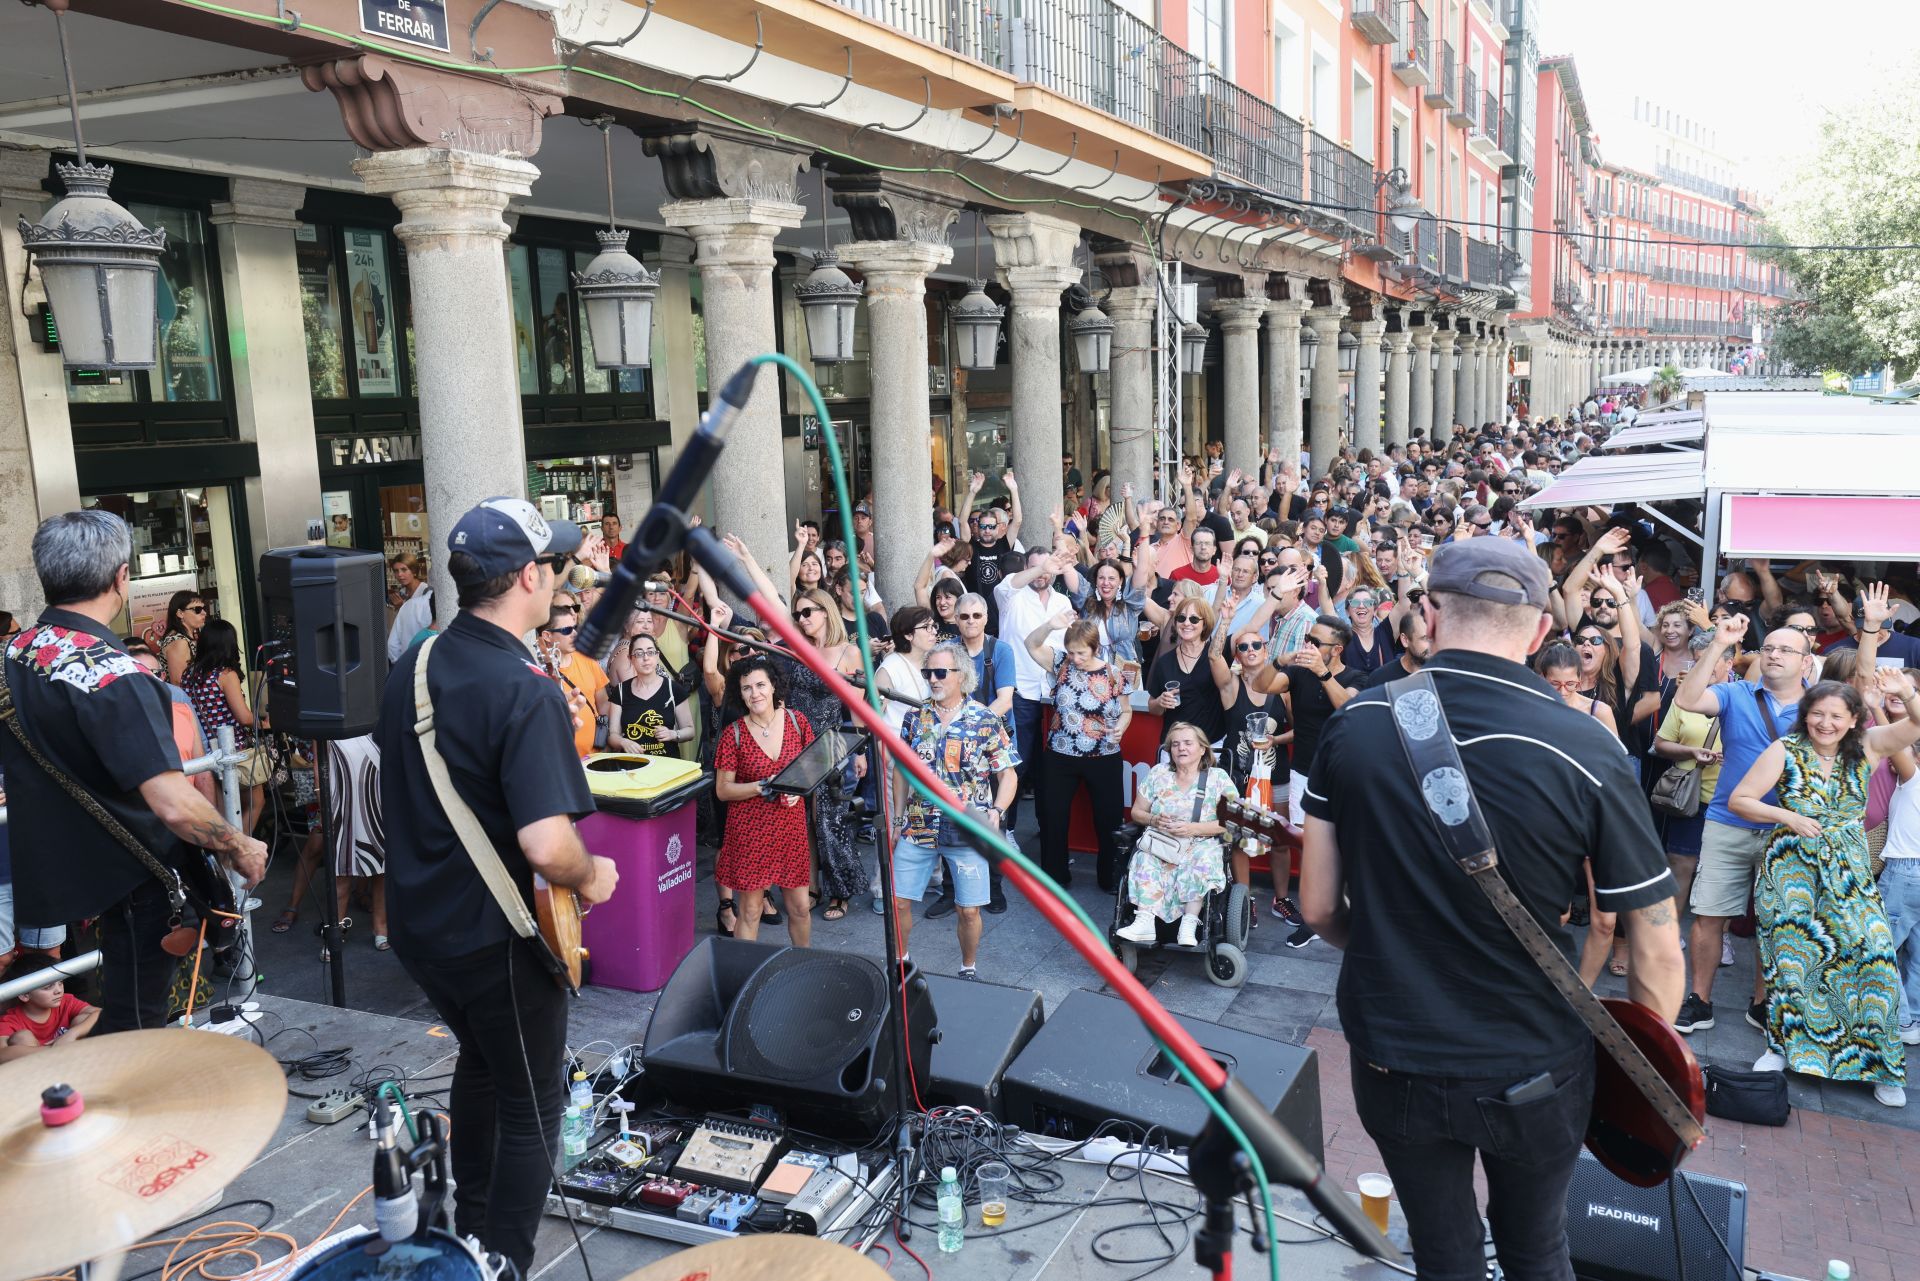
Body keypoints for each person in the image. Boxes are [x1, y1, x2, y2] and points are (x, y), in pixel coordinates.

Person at [1299, 537, 1684, 1281]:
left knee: (1444, 1252)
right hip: (1535, 1060)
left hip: (1396, 1052)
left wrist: (1383, 942)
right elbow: (1659, 949)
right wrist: (1651, 1080)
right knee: (1537, 1247)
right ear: (1542, 631)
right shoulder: (1587, 745)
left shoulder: (1358, 724)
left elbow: (1317, 907)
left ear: (1431, 613)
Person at [376, 497, 617, 1276]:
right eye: (552, 563)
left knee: (483, 1061)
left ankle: (465, 1230)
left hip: (424, 927)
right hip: (498, 935)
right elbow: (547, 844)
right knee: (533, 1101)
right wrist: (595, 876)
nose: (559, 575)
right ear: (527, 577)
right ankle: (502, 1260)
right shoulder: (524, 688)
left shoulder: (414, 659)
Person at [1, 513, 267, 1035]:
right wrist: (239, 843)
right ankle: (112, 1108)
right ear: (122, 577)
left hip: (61, 866)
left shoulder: (15, 652)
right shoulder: (117, 675)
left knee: (121, 1010)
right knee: (137, 1019)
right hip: (133, 875)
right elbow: (170, 801)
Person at [1730, 672, 1920, 1107]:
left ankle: (1883, 1066)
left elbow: (1916, 724)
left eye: (1836, 715)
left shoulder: (1869, 747)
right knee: (1791, 962)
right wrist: (1787, 817)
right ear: (1805, 716)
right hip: (1792, 870)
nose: (1825, 723)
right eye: (1817, 714)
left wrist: (1906, 692)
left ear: (1854, 719)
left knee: (1875, 957)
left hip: (1848, 870)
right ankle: (1782, 1049)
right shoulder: (1785, 749)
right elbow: (1742, 799)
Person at [1669, 613, 1812, 1035]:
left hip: (1787, 830)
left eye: (1787, 649)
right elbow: (1687, 701)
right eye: (1769, 648)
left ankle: (1762, 1004)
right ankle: (1700, 1000)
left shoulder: (1819, 706)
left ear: (1807, 662)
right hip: (1727, 821)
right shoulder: (1735, 694)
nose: (1774, 655)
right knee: (1710, 915)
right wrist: (1718, 644)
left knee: (1776, 921)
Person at [891, 640, 1017, 980]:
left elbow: (1007, 774)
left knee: (969, 910)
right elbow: (901, 772)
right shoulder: (915, 718)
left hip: (967, 827)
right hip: (919, 824)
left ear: (961, 675)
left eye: (941, 672)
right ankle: (901, 962)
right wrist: (897, 819)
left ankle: (968, 968)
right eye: (928, 672)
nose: (933, 679)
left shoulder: (984, 718)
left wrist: (996, 811)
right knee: (899, 901)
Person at [713, 657, 815, 946]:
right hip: (750, 831)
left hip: (789, 828)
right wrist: (760, 787)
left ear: (773, 687)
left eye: (760, 685)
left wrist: (800, 790)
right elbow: (723, 791)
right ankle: (745, 976)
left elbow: (811, 771)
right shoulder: (733, 734)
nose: (754, 693)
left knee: (799, 907)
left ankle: (803, 963)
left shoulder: (797, 722)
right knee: (750, 910)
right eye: (746, 688)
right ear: (740, 694)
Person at [1027, 615, 1133, 890]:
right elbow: (1031, 644)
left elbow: (1127, 710)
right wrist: (1050, 624)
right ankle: (1054, 876)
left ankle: (1109, 878)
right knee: (1053, 815)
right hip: (1060, 754)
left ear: (1095, 649)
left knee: (1108, 818)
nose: (1075, 658)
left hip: (1104, 754)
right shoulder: (1061, 662)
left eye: (1081, 653)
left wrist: (1121, 727)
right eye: (1072, 651)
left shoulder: (1113, 673)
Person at [1117, 721, 1239, 947]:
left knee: (1202, 859)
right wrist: (1154, 820)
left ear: (1202, 749)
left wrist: (1193, 829)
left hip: (1202, 841)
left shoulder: (1217, 777)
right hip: (1163, 841)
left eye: (1188, 743)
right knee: (1144, 857)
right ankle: (1144, 922)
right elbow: (1136, 811)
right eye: (1175, 744)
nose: (1181, 748)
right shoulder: (1158, 773)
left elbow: (1233, 819)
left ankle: (1189, 924)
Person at [1652, 630, 1734, 927]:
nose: (1704, 669)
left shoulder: (1746, 696)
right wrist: (1691, 750)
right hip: (1692, 797)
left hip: (1731, 802)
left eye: (1710, 662)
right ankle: (1670, 932)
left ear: (1730, 661)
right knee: (1681, 865)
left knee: (1723, 873)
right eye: (1698, 662)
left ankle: (1720, 934)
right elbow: (1661, 744)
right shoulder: (1685, 698)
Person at [180, 618, 272, 837]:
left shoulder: (188, 675)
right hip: (234, 749)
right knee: (256, 801)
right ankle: (238, 850)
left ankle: (226, 859)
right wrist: (266, 724)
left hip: (206, 750)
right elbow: (243, 717)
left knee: (224, 810)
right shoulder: (225, 675)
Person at [535, 596, 610, 759]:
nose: (575, 634)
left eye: (575, 628)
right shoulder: (538, 671)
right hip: (560, 762)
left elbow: (603, 702)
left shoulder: (587, 658)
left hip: (595, 758)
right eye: (567, 630)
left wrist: (604, 741)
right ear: (547, 636)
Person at [1148, 597, 1226, 747]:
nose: (1187, 623)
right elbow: (1153, 707)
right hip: (1175, 746)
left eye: (1194, 619)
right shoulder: (1164, 662)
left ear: (1205, 624)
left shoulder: (1215, 657)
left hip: (1210, 745)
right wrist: (1160, 702)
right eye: (1181, 618)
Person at [0, 954, 98, 1060]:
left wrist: (72, 1034)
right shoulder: (11, 1020)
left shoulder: (66, 1001)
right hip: (40, 1069)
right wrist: (53, 1050)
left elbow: (100, 1013)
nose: (58, 990)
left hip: (73, 1059)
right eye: (47, 987)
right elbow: (2, 1053)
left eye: (60, 982)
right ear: (24, 995)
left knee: (83, 1019)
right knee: (22, 1037)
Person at [609, 633, 692, 756]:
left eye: (650, 652)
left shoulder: (673, 689)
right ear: (630, 658)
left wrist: (673, 734)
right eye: (639, 654)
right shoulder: (620, 691)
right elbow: (612, 735)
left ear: (657, 655)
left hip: (667, 765)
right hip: (633, 765)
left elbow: (690, 730)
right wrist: (623, 742)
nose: (646, 658)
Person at [387, 553, 433, 663]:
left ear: (413, 570)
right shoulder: (402, 593)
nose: (400, 575)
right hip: (405, 655)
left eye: (404, 569)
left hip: (422, 653)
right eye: (396, 571)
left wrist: (401, 608)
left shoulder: (426, 592)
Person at [157, 589, 206, 686]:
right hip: (184, 700)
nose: (204, 613)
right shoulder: (179, 641)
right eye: (197, 609)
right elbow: (179, 682)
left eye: (204, 609)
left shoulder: (185, 638)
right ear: (180, 613)